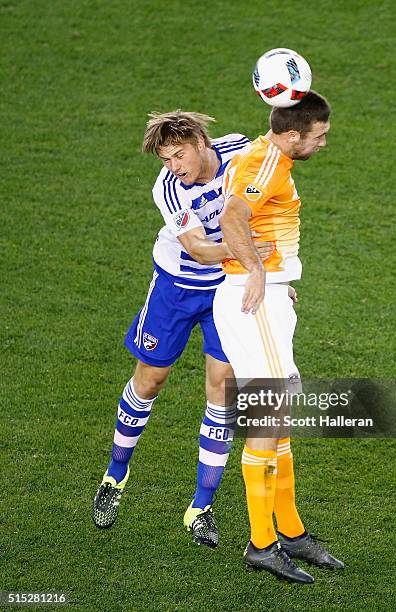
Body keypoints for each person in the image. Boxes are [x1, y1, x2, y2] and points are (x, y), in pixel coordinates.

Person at [92, 111, 273, 548]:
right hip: (176, 286)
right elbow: (197, 248)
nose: (174, 166)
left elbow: (267, 200)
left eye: (178, 155)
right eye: (165, 158)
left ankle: (200, 507)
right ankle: (116, 475)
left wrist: (271, 274)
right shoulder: (169, 189)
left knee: (221, 389)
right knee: (150, 380)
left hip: (225, 292)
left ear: (198, 141)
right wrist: (249, 255)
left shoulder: (239, 151)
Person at [214, 91, 345, 582]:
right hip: (255, 305)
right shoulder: (266, 164)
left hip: (267, 298)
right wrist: (256, 273)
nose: (323, 143)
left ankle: (289, 531)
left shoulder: (264, 156)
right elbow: (232, 217)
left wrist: (275, 277)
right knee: (268, 419)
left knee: (280, 419)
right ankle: (261, 543)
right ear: (294, 134)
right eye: (320, 136)